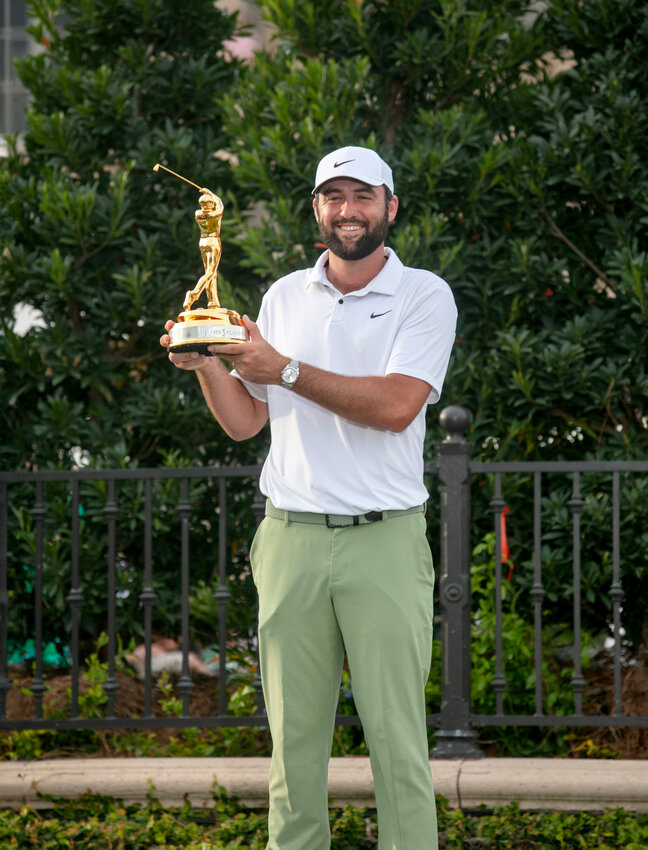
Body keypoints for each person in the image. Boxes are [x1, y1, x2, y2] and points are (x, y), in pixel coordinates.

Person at [160, 145, 458, 850]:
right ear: (316, 209)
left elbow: (395, 408)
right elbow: (245, 422)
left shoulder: (424, 294)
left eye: (362, 196)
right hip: (290, 536)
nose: (347, 211)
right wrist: (207, 364)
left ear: (390, 207)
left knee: (396, 742)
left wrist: (284, 367)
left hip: (382, 539)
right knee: (292, 748)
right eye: (333, 197)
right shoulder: (284, 295)